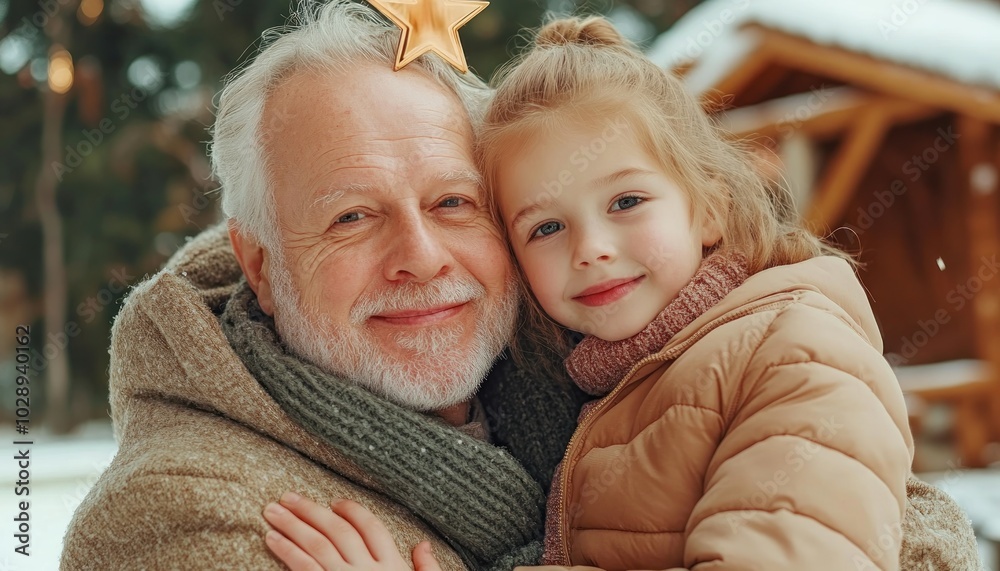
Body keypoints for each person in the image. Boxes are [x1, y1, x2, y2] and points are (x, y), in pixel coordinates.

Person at [258, 15, 984, 571]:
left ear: (708, 207)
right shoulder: (614, 373)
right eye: (544, 226)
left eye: (628, 201)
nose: (592, 247)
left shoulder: (791, 353)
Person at [59, 2, 586, 569]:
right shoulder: (182, 516)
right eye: (352, 217)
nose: (422, 258)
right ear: (259, 265)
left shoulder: (610, 393)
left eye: (453, 202)